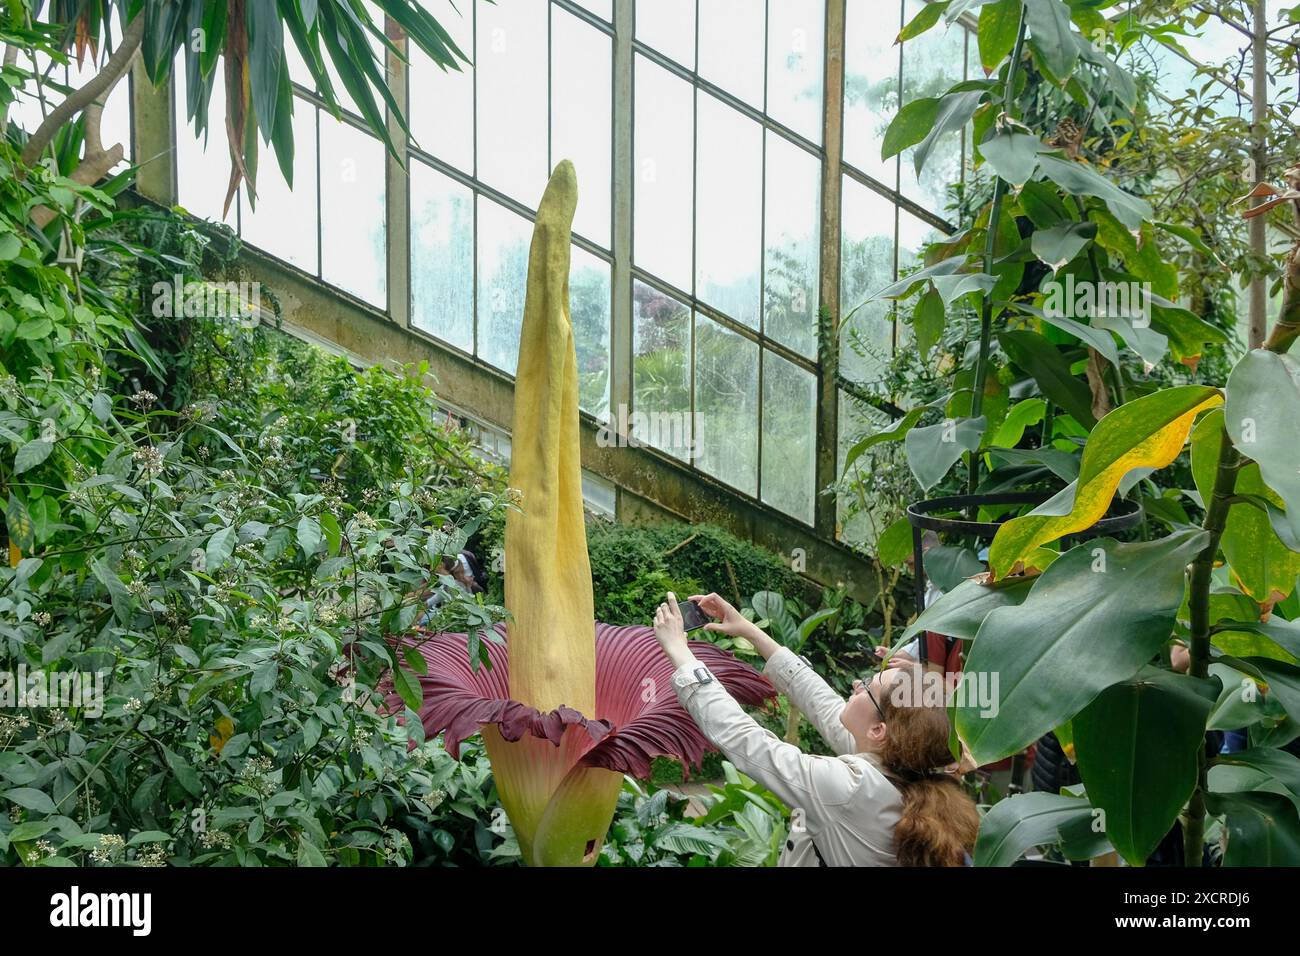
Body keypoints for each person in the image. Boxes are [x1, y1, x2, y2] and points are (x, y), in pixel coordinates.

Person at [652, 591, 979, 866]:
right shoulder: (899, 767)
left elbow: (748, 742)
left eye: (868, 686)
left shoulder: (849, 789)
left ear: (880, 730)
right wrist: (749, 630)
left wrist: (680, 652)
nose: (855, 684)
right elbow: (820, 700)